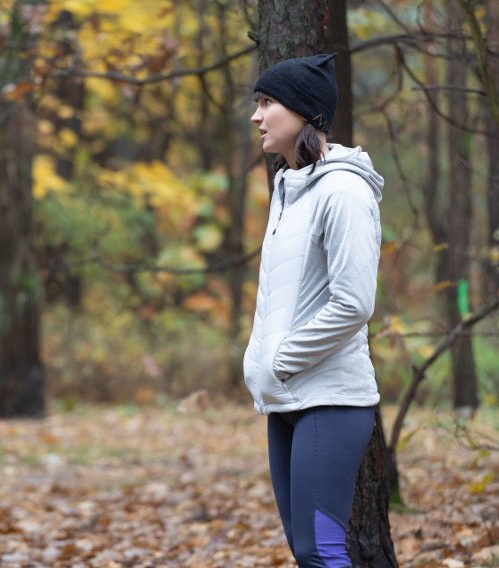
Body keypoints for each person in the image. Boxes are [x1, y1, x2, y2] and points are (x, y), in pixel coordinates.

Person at [243, 53, 384, 567]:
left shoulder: (343, 191)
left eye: (267, 102)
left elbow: (353, 303)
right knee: (308, 554)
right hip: (285, 402)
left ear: (304, 111)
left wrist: (280, 359)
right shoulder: (288, 189)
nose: (257, 116)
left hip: (330, 401)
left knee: (321, 552)